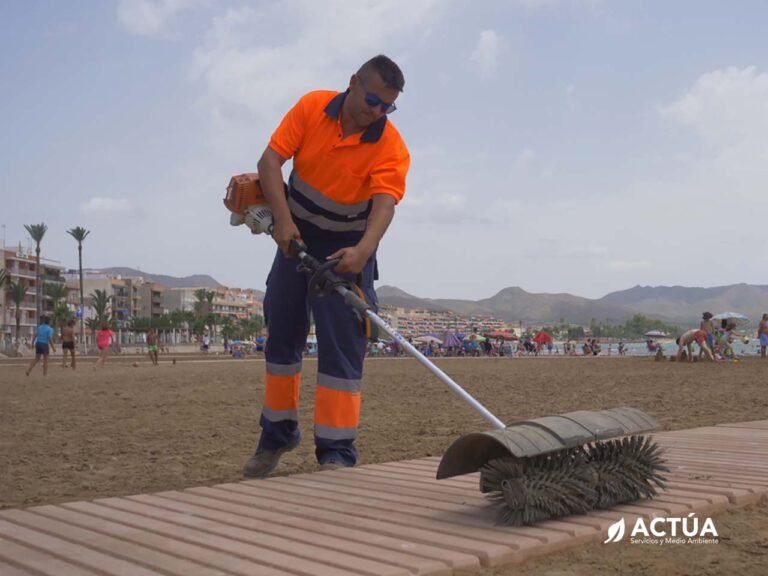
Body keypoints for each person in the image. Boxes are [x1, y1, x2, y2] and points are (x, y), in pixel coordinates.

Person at [242, 55, 410, 478]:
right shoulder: (312, 107)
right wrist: (283, 222)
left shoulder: (391, 146)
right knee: (282, 336)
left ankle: (336, 453)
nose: (377, 113)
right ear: (353, 83)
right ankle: (277, 434)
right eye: (372, 100)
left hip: (346, 250)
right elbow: (269, 163)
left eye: (387, 107)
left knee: (343, 345)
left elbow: (385, 204)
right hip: (295, 237)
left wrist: (363, 251)